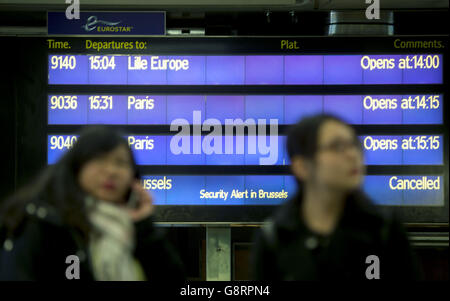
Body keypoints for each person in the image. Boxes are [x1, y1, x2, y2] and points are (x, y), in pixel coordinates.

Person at [0, 126, 186, 281]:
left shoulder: (134, 232)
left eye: (120, 163)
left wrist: (145, 227)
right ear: (76, 167)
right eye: (99, 160)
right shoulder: (43, 222)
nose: (111, 171)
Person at [250, 114, 422, 280]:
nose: (352, 155)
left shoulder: (385, 231)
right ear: (301, 166)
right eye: (337, 147)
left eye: (354, 145)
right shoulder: (274, 238)